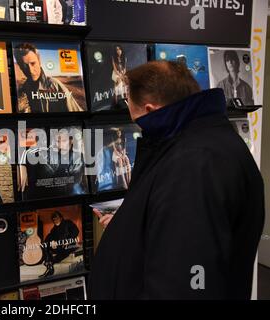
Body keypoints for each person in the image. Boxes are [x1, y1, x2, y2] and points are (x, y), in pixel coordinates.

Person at [88, 61, 264, 299]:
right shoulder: (199, 144)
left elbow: (183, 283)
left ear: (150, 110)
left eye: (130, 105)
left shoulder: (196, 164)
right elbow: (177, 230)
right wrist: (131, 226)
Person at [13, 43, 83, 113]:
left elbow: (78, 115)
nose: (30, 70)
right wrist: (20, 123)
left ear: (39, 62)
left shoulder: (55, 85)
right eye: (24, 65)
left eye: (33, 63)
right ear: (20, 67)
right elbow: (21, 121)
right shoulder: (23, 89)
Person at [18, 129, 86, 199]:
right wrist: (22, 165)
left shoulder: (78, 157)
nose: (59, 143)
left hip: (72, 196)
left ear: (71, 141)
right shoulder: (51, 153)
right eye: (57, 140)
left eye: (63, 140)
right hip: (51, 197)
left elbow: (74, 182)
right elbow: (30, 152)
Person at [39, 211, 80, 278]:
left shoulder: (68, 223)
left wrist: (69, 240)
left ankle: (49, 263)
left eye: (56, 218)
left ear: (61, 218)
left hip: (70, 245)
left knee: (64, 249)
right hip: (59, 247)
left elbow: (76, 231)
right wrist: (52, 242)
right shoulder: (54, 229)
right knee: (46, 242)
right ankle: (49, 264)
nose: (55, 220)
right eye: (54, 219)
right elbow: (49, 238)